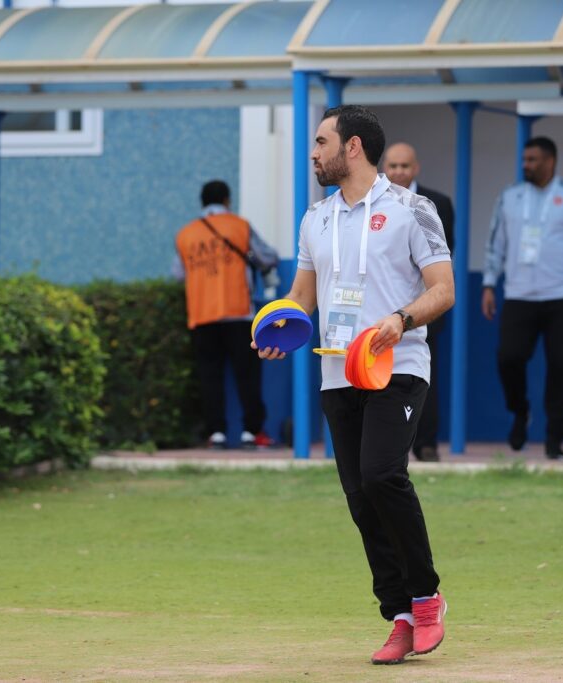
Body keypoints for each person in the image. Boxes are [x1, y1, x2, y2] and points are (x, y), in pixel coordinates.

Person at [255, 105, 454, 665]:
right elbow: (302, 298)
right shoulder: (314, 219)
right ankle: (400, 615)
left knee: (382, 475)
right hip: (336, 371)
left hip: (397, 365)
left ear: (353, 147)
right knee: (361, 497)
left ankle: (427, 597)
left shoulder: (414, 209)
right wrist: (278, 327)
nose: (313, 152)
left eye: (322, 142)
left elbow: (443, 289)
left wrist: (401, 320)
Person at [481, 136, 563, 459]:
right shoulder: (509, 197)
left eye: (532, 160)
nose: (526, 165)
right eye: (524, 160)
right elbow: (495, 242)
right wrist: (488, 283)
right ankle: (520, 411)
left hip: (562, 295)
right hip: (518, 295)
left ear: (550, 161)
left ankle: (555, 435)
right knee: (508, 358)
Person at [173, 180, 279, 450]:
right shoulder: (239, 226)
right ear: (227, 200)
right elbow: (267, 257)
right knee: (247, 375)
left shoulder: (186, 234)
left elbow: (177, 275)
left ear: (202, 202)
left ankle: (216, 433)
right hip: (238, 312)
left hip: (202, 315)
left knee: (210, 377)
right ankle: (251, 432)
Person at [382, 142, 455, 463]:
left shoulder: (437, 204)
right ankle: (388, 446)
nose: (398, 172)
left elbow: (441, 258)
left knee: (424, 376)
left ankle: (426, 443)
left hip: (425, 307)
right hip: (382, 307)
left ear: (416, 168)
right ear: (384, 167)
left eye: (405, 166)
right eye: (393, 166)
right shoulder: (373, 203)